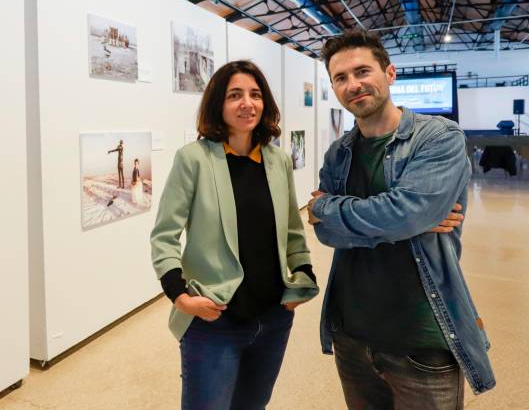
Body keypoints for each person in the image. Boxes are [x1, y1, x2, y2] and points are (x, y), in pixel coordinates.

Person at [307, 31, 495, 409]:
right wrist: (401, 219)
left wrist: (326, 209)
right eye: (340, 78)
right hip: (352, 336)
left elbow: (404, 214)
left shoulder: (438, 137)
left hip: (423, 340)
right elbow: (330, 235)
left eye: (362, 71)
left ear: (389, 73)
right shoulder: (338, 153)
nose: (353, 84)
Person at [150, 60, 319, 410]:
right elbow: (165, 235)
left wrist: (302, 274)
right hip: (214, 321)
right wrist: (180, 296)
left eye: (255, 95)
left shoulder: (278, 161)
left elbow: (291, 227)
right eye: (235, 95)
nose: (247, 103)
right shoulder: (193, 159)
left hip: (273, 319)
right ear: (218, 104)